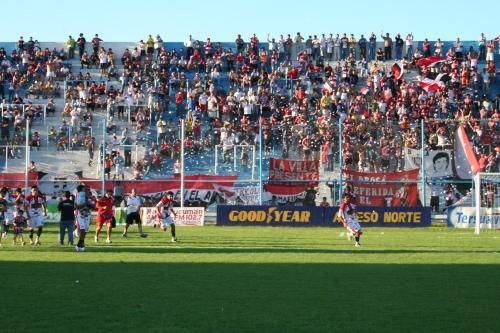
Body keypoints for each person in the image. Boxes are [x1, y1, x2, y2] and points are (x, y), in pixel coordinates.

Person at [75, 185, 94, 252]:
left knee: (85, 231)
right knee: (82, 230)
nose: (87, 190)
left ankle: (80, 244)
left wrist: (90, 204)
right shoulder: (79, 195)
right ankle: (80, 244)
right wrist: (84, 204)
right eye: (85, 189)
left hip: (87, 215)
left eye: (88, 189)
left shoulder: (89, 197)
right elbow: (76, 206)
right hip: (80, 215)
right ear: (82, 190)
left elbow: (93, 206)